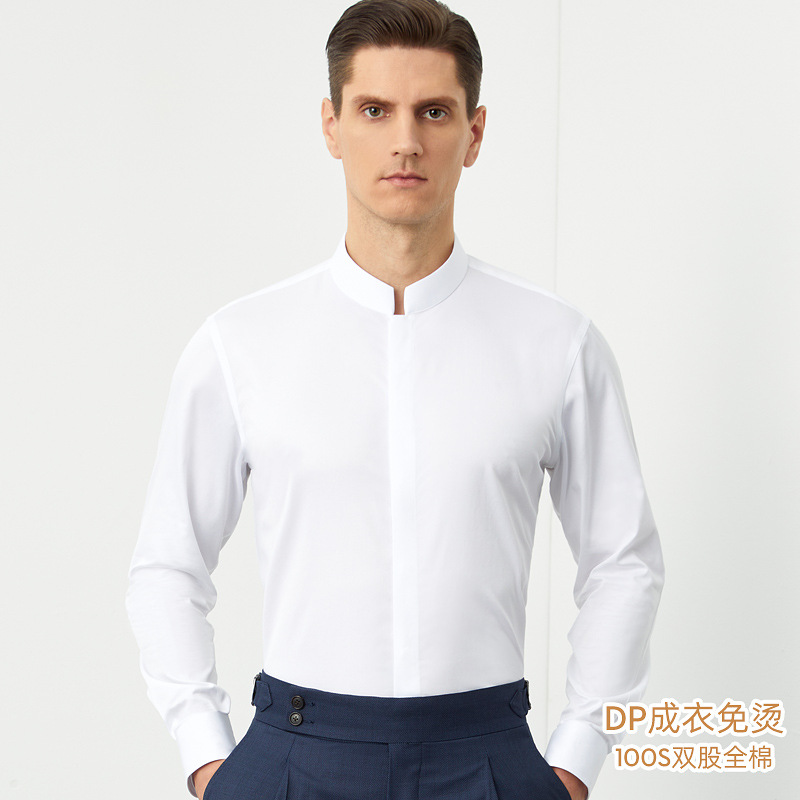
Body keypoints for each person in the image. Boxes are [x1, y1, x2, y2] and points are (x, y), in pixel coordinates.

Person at [125, 1, 665, 798]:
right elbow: (167, 564)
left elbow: (624, 562)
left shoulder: (556, 342)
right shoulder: (241, 343)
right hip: (294, 753)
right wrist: (207, 757)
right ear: (332, 126)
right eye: (375, 110)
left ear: (474, 133)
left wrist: (575, 762)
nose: (405, 140)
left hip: (486, 754)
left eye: (433, 112)